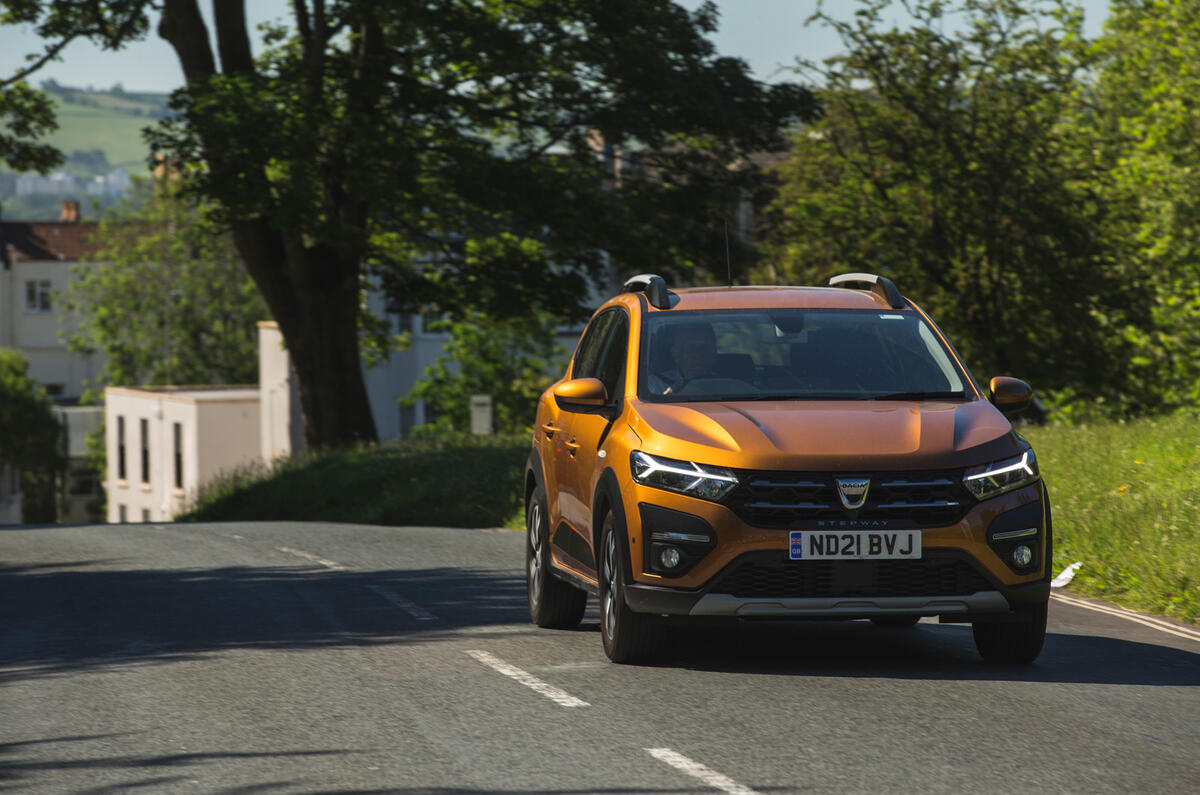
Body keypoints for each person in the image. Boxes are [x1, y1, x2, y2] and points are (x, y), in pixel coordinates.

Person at [649, 322, 717, 395]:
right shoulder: (655, 385)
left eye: (704, 348)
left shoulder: (726, 385)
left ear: (714, 353)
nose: (698, 355)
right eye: (692, 348)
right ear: (676, 354)